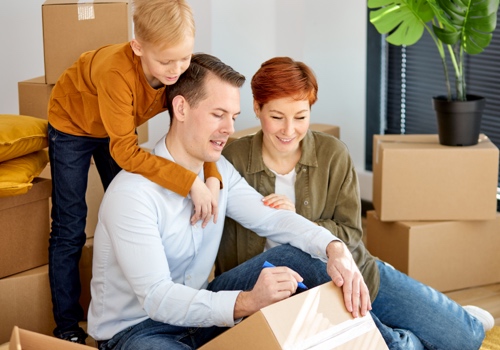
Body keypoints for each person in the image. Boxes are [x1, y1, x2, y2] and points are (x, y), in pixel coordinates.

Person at [88, 53, 372, 350]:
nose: (230, 129)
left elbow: (272, 219)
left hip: (204, 314)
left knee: (303, 254)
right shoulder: (132, 193)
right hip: (138, 331)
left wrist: (334, 248)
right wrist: (247, 302)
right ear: (181, 107)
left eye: (233, 117)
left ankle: (384, 342)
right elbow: (157, 298)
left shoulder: (219, 171)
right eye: (218, 114)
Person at [215, 56, 494, 350]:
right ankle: (405, 337)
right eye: (276, 117)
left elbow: (351, 232)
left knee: (466, 339)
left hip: (353, 272)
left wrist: (300, 221)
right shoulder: (232, 160)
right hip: (278, 294)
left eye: (300, 116)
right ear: (257, 108)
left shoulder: (332, 154)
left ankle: (453, 320)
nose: (288, 130)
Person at [47, 0, 222, 344]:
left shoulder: (181, 64)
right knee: (70, 227)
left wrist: (211, 174)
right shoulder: (117, 73)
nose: (176, 70)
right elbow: (125, 151)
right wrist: (190, 183)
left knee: (132, 214)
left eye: (184, 58)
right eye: (165, 61)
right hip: (73, 124)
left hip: (116, 129)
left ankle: (148, 303)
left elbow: (199, 125)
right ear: (138, 47)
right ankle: (67, 328)